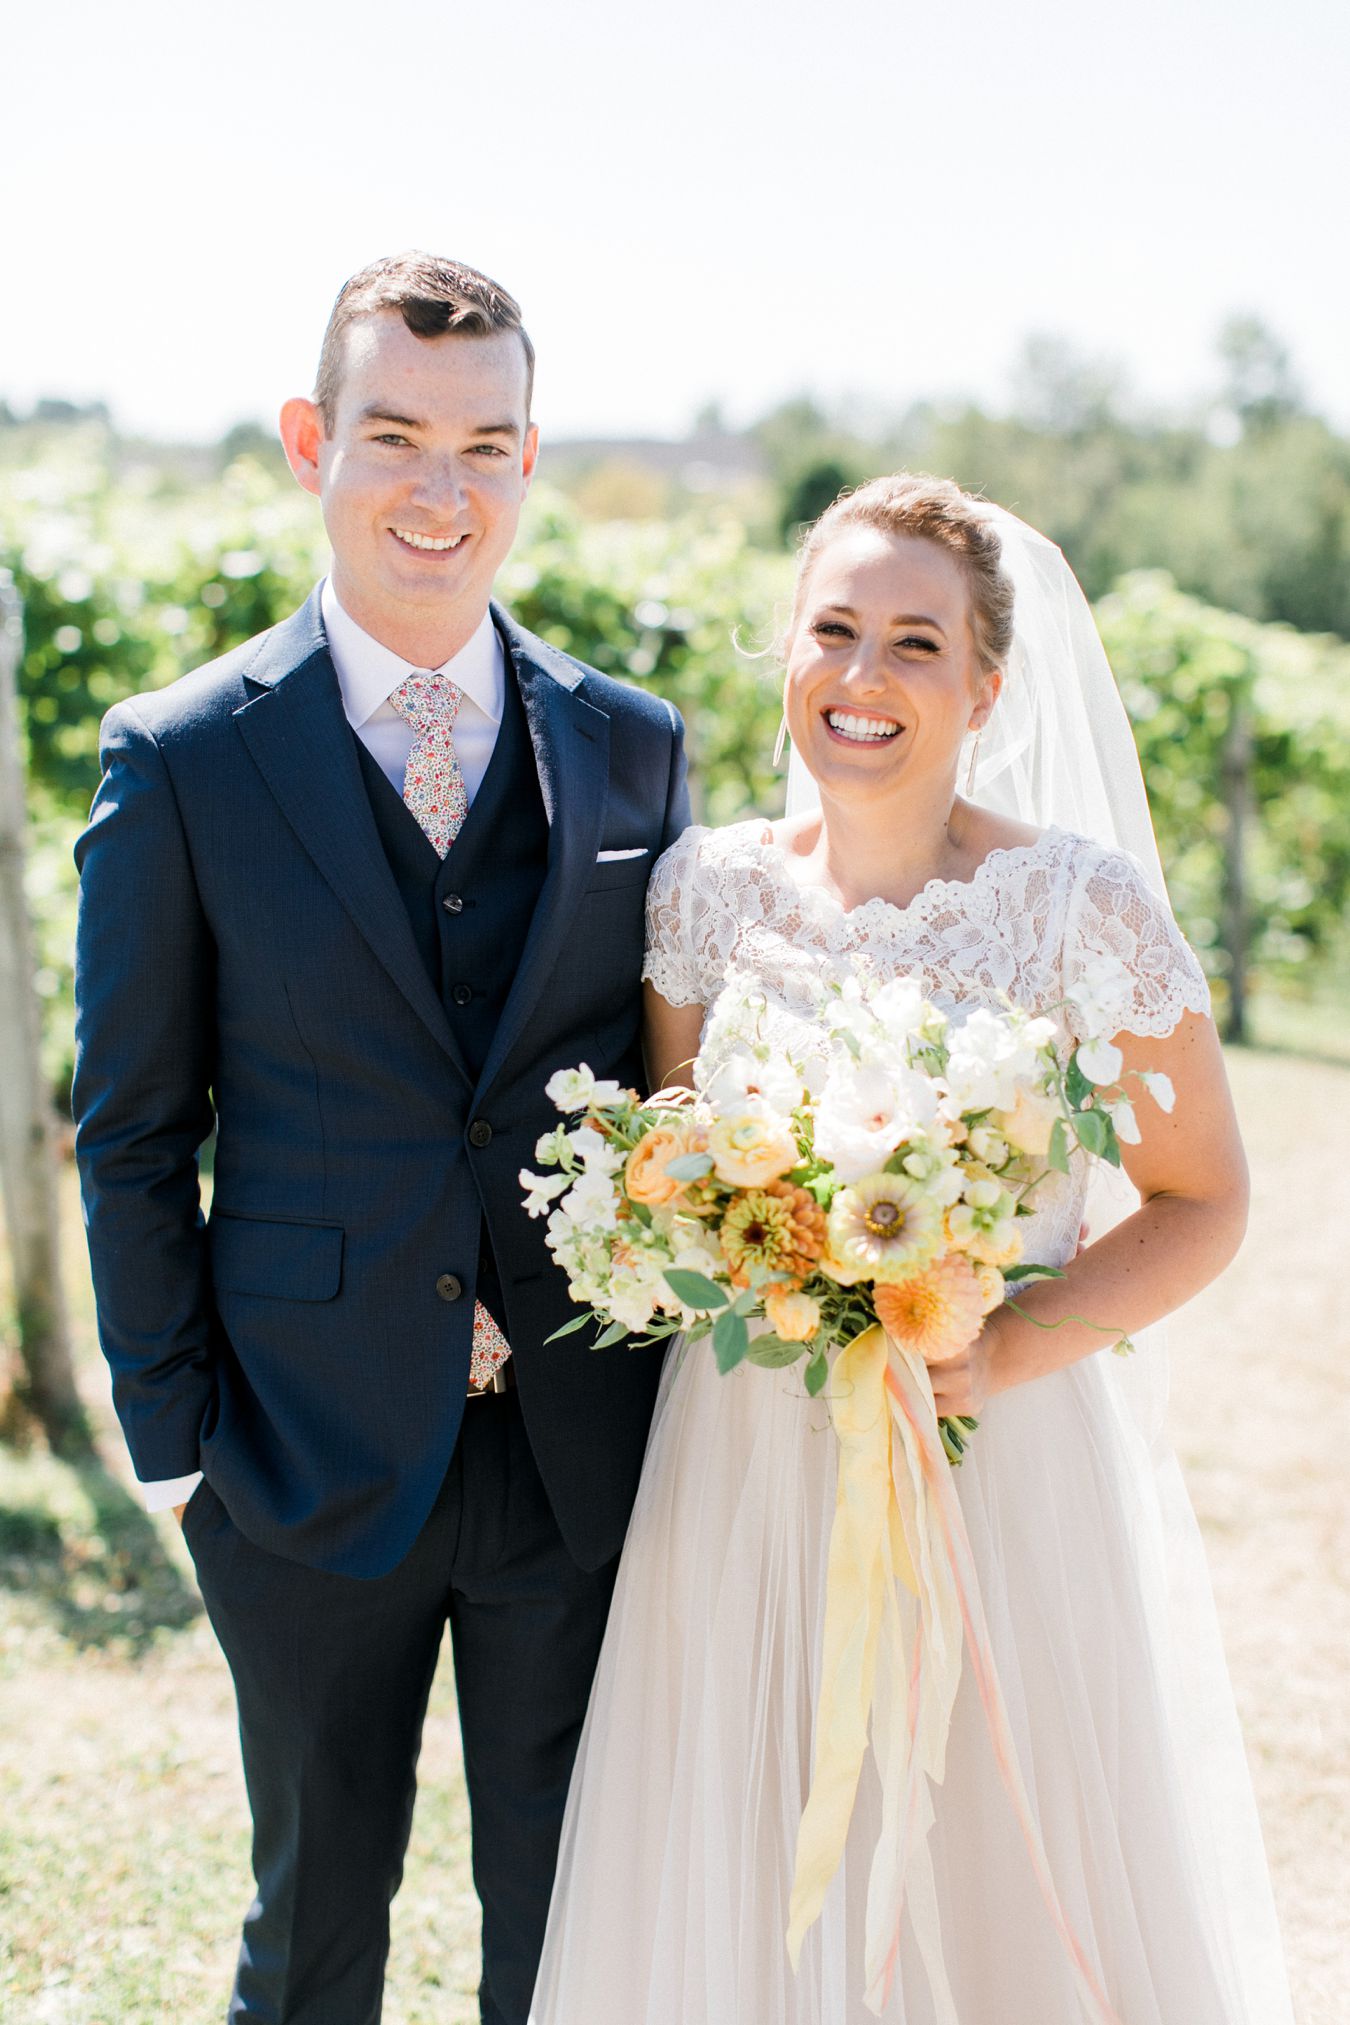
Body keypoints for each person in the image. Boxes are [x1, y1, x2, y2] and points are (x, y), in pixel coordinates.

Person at [529, 475, 1293, 2022]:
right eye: (832, 629)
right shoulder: (706, 889)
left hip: (984, 1463)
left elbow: (1202, 1198)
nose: (862, 676)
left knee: (986, 1863)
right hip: (740, 1467)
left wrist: (1002, 1345)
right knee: (742, 1860)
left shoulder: (1077, 907)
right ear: (784, 650)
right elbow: (683, 1159)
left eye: (914, 642)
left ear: (986, 685)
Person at [72, 251, 689, 2025]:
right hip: (297, 1451)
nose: (441, 488)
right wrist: (176, 1441)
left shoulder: (631, 748)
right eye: (395, 436)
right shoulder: (181, 757)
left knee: (567, 1930)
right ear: (307, 442)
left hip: (575, 1452)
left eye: (484, 445)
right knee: (315, 1924)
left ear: (528, 458)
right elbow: (132, 1129)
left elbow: (666, 1096)